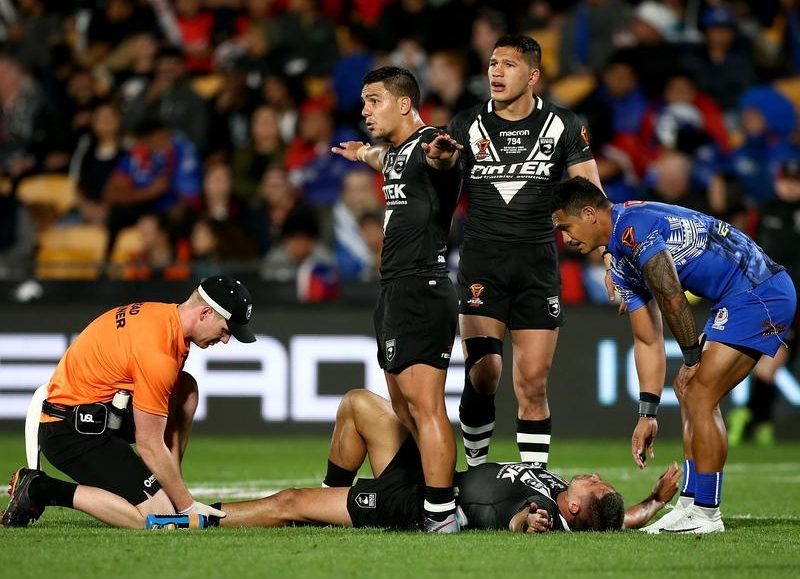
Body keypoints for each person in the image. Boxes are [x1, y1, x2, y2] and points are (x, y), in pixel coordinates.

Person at [550, 177, 796, 533]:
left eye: (566, 227)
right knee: (686, 388)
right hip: (737, 297)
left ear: (589, 214)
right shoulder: (621, 258)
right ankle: (689, 504)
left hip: (760, 292)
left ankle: (707, 512)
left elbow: (672, 297)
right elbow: (648, 340)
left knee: (699, 392)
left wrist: (693, 359)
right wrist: (647, 413)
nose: (565, 239)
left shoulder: (635, 230)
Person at [152, 389, 680, 533]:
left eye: (595, 486)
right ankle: (333, 503)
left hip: (415, 503)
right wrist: (652, 502)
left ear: (578, 509)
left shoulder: (543, 514)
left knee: (289, 502)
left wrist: (526, 525)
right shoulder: (572, 500)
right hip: (432, 476)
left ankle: (185, 518)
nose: (593, 476)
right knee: (359, 405)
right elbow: (618, 521)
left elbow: (517, 522)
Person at [447, 34, 603, 470]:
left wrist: (610, 255)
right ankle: (476, 472)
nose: (496, 72)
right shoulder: (466, 125)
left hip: (537, 266)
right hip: (482, 264)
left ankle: (534, 482)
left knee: (532, 384)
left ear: (533, 76)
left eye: (509, 65)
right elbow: (440, 188)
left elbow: (591, 197)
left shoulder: (562, 125)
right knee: (484, 373)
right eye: (492, 63)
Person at [1, 276, 257, 529]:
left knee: (186, 389)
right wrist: (187, 506)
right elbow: (149, 444)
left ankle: (164, 485)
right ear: (205, 313)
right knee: (161, 517)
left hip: (91, 413)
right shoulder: (158, 354)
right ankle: (40, 488)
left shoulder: (163, 316)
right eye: (226, 329)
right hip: (71, 432)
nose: (226, 339)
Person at [331, 66, 464, 532]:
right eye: (363, 103)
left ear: (404, 103)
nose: (365, 111)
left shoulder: (430, 145)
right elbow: (384, 159)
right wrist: (361, 153)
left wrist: (445, 156)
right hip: (393, 289)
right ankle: (423, 495)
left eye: (374, 101)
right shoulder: (397, 153)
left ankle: (442, 514)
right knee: (405, 408)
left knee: (425, 406)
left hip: (422, 287)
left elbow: (442, 161)